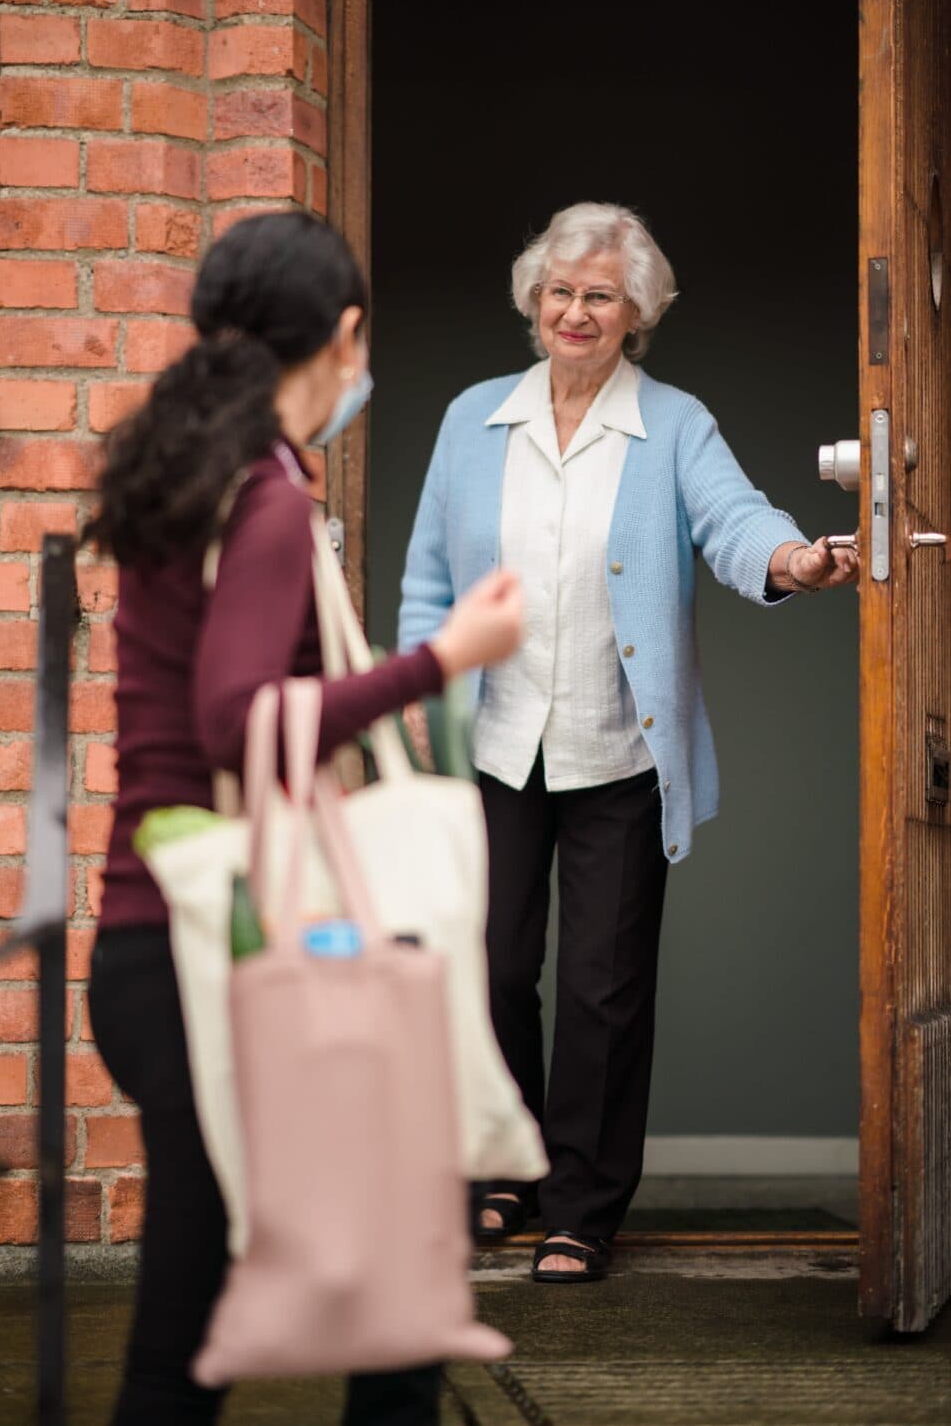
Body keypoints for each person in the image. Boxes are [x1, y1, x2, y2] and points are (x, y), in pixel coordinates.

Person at [84, 211, 523, 1424]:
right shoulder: (267, 499)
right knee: (387, 1289)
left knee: (192, 1329)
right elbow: (237, 719)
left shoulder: (186, 469)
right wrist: (445, 657)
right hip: (219, 954)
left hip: (153, 948)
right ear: (341, 336)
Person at [398, 201, 858, 1283]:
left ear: (636, 313)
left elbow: (734, 520)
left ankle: (582, 1205)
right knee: (495, 965)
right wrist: (426, 693)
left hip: (619, 749)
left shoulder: (673, 425)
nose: (575, 310)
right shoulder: (473, 421)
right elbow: (427, 576)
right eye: (559, 291)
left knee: (606, 987)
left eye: (599, 294)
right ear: (531, 299)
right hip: (494, 741)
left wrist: (792, 558)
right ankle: (502, 1169)